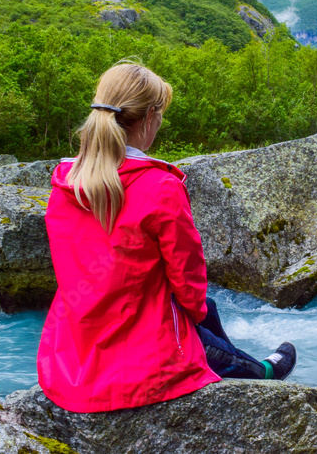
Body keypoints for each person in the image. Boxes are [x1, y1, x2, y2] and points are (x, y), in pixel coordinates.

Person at [37, 61, 296, 413]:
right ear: (149, 118)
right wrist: (195, 314)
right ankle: (260, 373)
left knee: (208, 310)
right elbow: (187, 278)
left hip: (73, 353)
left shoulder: (65, 182)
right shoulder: (159, 186)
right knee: (199, 313)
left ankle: (243, 364)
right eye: (161, 115)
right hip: (135, 366)